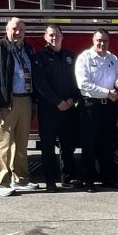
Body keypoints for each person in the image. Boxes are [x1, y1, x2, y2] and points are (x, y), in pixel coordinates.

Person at [0, 17, 39, 197]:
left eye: (21, 30)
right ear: (6, 30)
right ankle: (3, 183)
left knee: (22, 145)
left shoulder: (28, 49)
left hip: (25, 100)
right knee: (3, 145)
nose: (18, 33)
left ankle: (21, 180)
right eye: (14, 29)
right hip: (6, 103)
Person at [32, 24, 80, 192]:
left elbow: (77, 81)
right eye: (51, 35)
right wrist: (57, 101)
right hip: (49, 110)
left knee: (68, 146)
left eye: (57, 34)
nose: (54, 38)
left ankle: (68, 178)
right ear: (45, 37)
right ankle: (50, 182)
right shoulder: (40, 58)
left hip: (68, 108)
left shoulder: (70, 56)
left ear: (62, 36)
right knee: (48, 147)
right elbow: (40, 84)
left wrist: (72, 99)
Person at [75, 28, 118, 192]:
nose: (102, 43)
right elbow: (83, 84)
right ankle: (88, 180)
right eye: (99, 40)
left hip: (108, 106)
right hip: (90, 106)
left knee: (107, 144)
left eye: (105, 41)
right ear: (93, 40)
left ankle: (107, 178)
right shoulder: (85, 58)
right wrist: (107, 92)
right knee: (89, 144)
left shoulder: (112, 58)